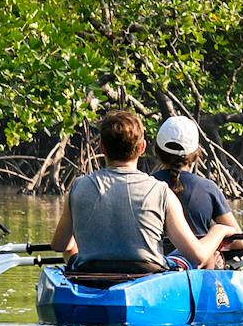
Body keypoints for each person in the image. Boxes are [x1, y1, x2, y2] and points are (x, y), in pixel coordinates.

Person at [49, 106, 221, 278]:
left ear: (102, 148)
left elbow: (59, 245)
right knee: (207, 256)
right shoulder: (162, 191)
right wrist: (219, 231)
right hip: (146, 276)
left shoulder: (78, 186)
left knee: (71, 249)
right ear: (142, 147)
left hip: (90, 273)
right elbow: (198, 257)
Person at [150, 115, 242, 263]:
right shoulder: (208, 187)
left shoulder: (146, 186)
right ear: (196, 154)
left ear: (157, 151)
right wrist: (217, 236)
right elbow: (239, 243)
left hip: (155, 265)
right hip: (196, 266)